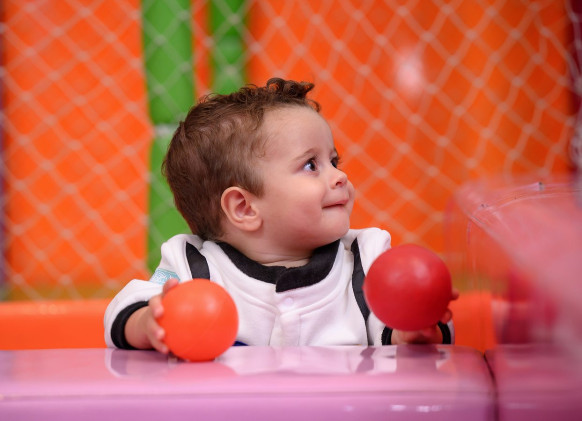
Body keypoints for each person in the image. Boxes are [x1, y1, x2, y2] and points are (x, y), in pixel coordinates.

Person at [104, 78, 456, 354]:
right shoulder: (192, 266)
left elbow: (395, 330)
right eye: (311, 165)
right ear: (244, 208)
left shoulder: (367, 258)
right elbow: (128, 307)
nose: (340, 176)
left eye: (334, 161)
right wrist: (150, 322)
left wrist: (415, 329)